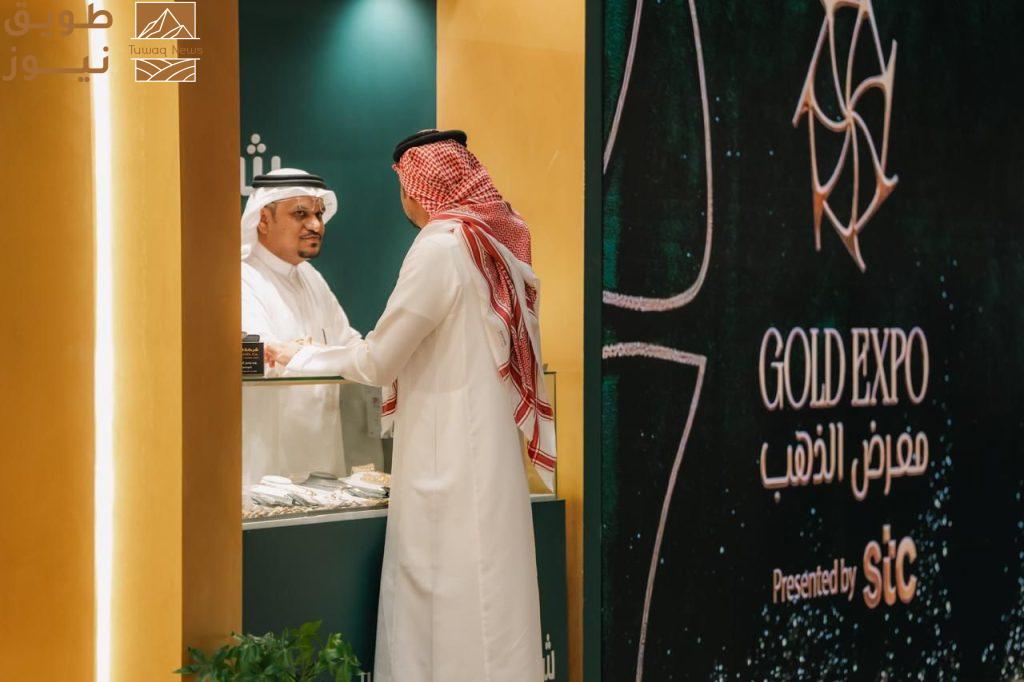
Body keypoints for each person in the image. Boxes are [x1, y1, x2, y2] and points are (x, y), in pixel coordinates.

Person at [266, 130, 555, 681]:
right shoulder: (488, 242)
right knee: (491, 592)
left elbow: (379, 360)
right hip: (486, 454)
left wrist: (298, 357)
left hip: (448, 457)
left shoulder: (441, 246)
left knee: (444, 594)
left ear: (417, 189)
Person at [241, 168, 362, 486]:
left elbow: (351, 344)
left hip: (323, 456)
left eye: (318, 214)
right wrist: (318, 354)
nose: (316, 225)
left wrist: (304, 352)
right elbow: (262, 358)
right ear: (263, 219)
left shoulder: (310, 277)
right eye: (300, 214)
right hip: (271, 466)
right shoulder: (241, 277)